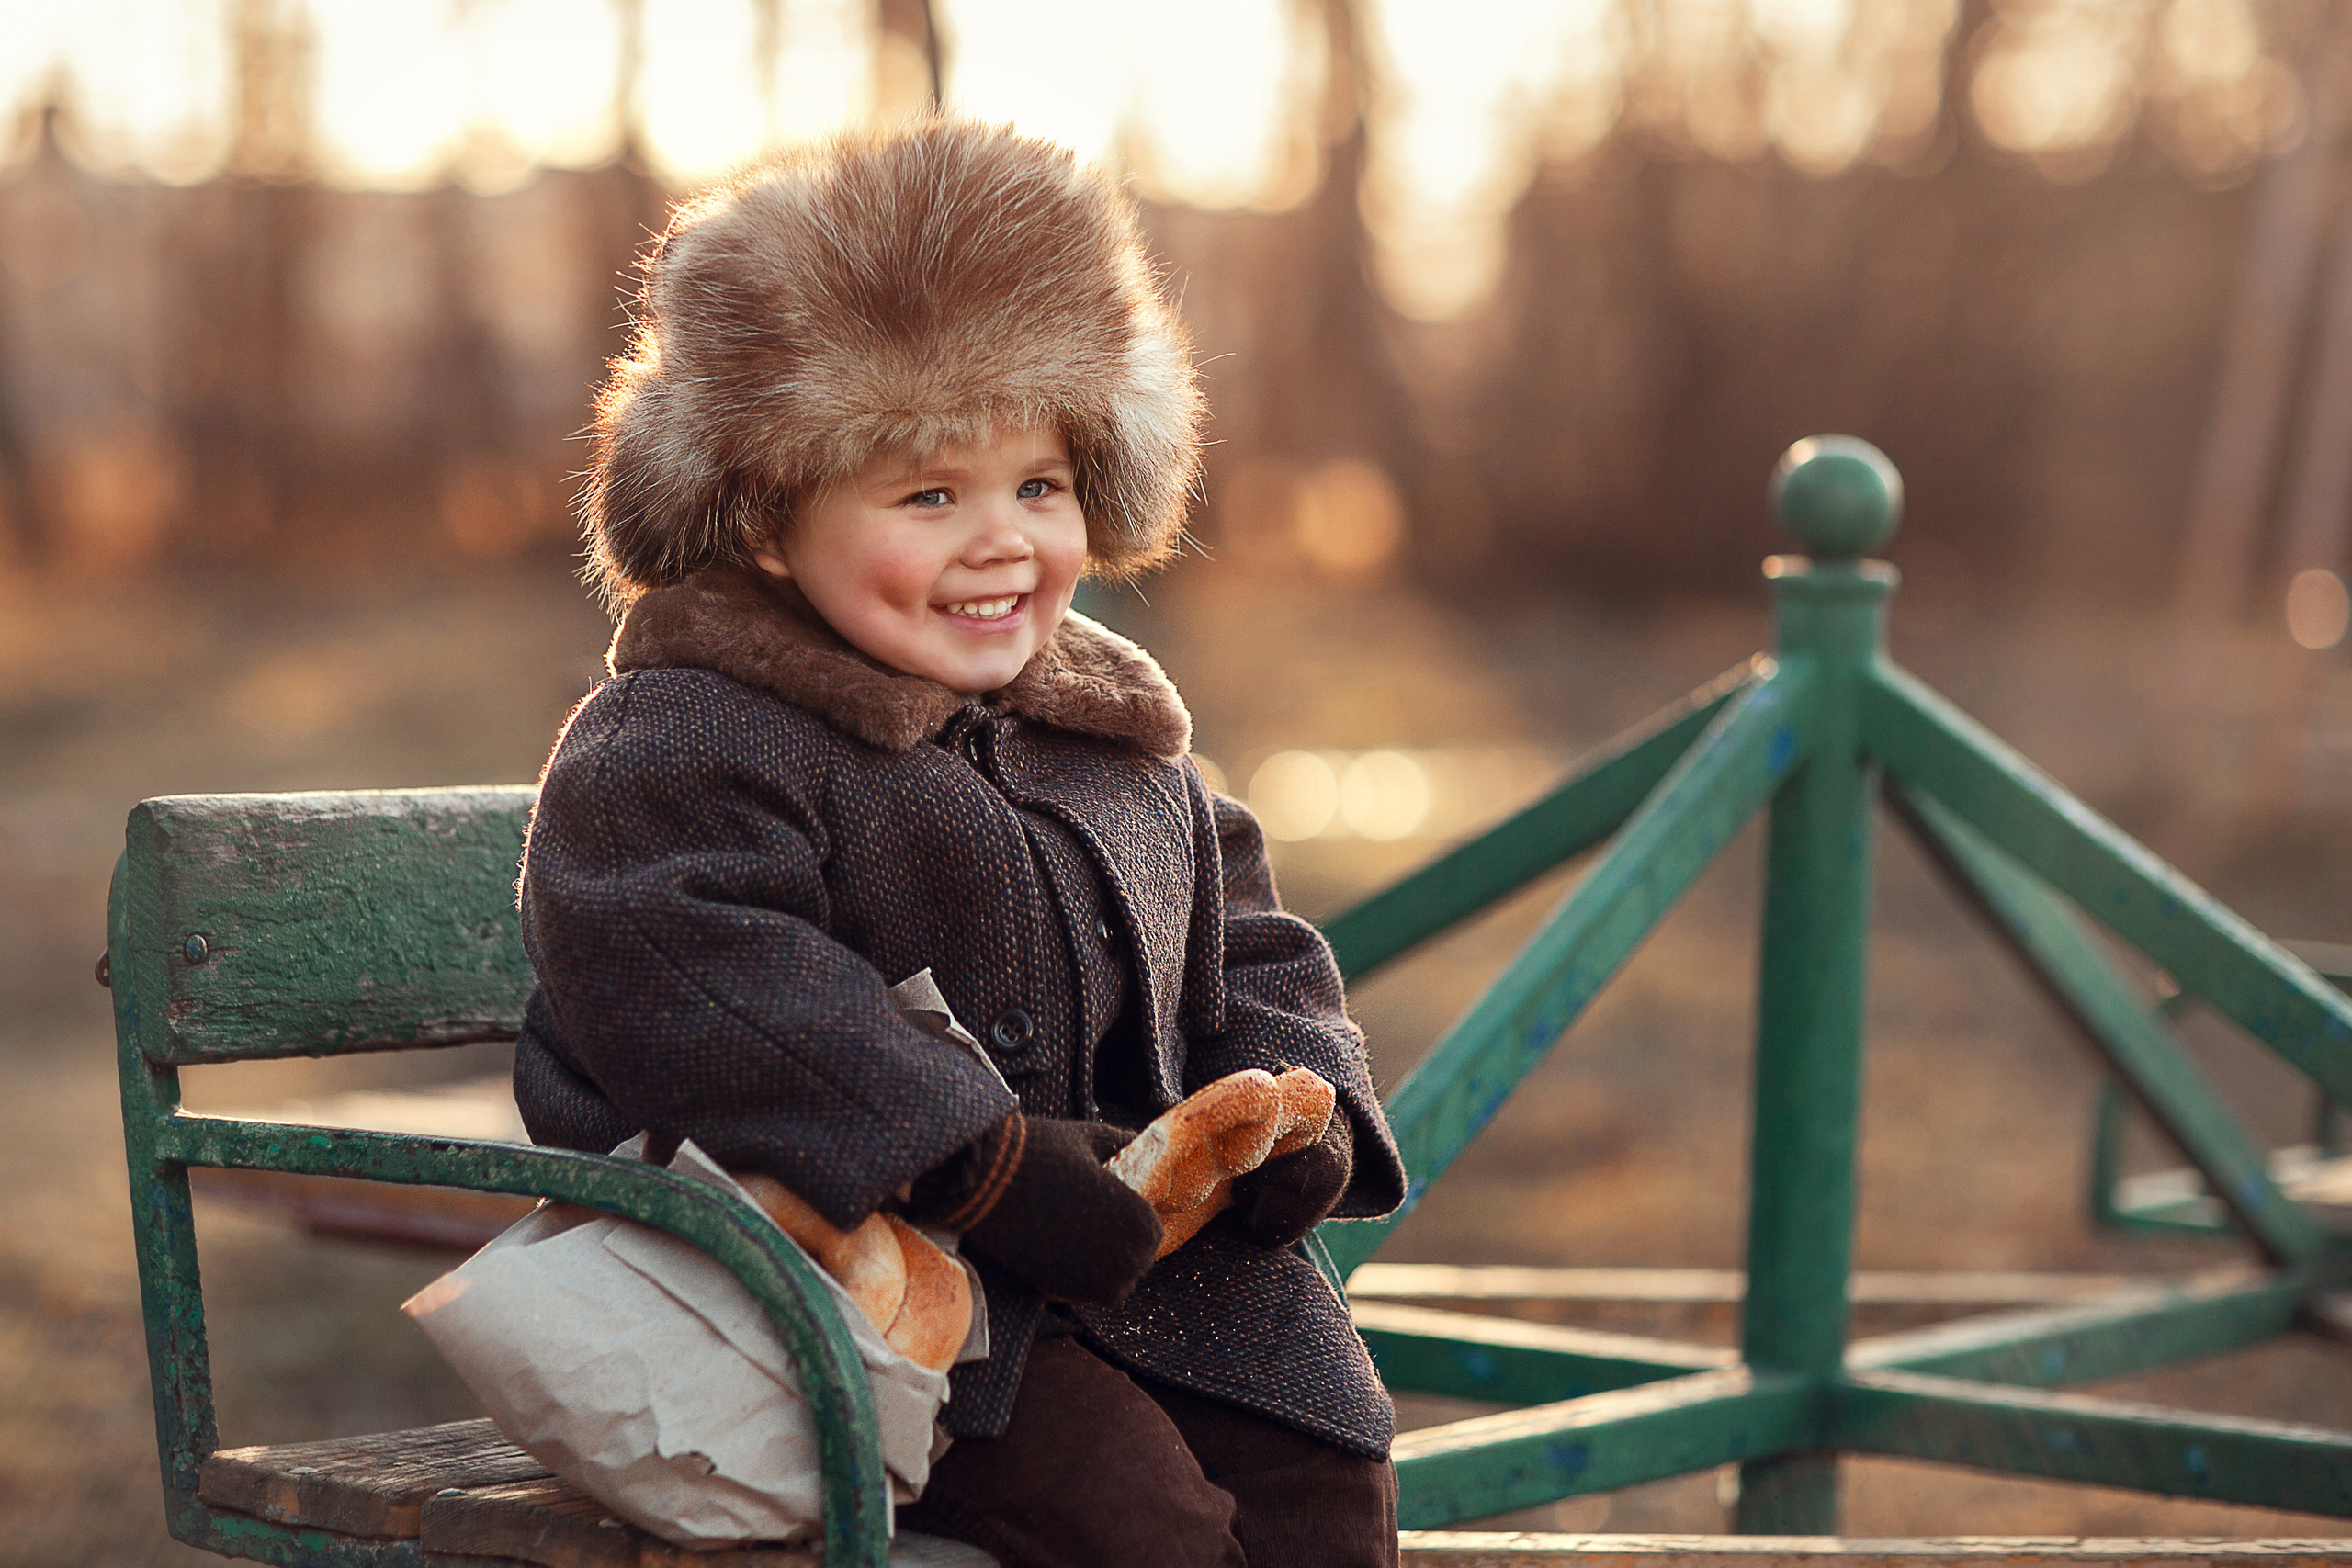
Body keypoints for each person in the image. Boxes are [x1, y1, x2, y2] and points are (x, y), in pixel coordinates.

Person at [510, 118, 1407, 1568]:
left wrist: (1306, 1113)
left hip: (1143, 1269)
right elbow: (696, 974)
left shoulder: (1102, 731)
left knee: (1325, 1481)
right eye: (929, 494)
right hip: (871, 1297)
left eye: (1038, 486)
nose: (1002, 541)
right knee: (1142, 1530)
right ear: (762, 521)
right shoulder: (683, 745)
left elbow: (1248, 937)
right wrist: (971, 1162)